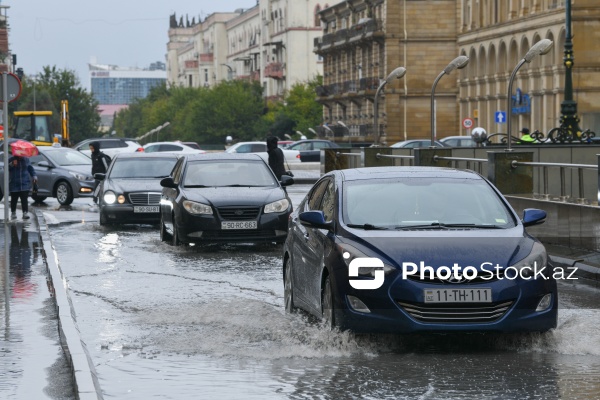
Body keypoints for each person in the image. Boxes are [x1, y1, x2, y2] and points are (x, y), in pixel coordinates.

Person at [8, 153, 38, 220]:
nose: (20, 155)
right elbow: (5, 168)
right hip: (14, 183)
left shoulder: (26, 159)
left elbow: (31, 169)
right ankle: (13, 213)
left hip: (24, 183)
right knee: (14, 200)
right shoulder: (11, 159)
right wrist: (12, 164)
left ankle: (25, 213)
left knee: (24, 199)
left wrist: (34, 177)